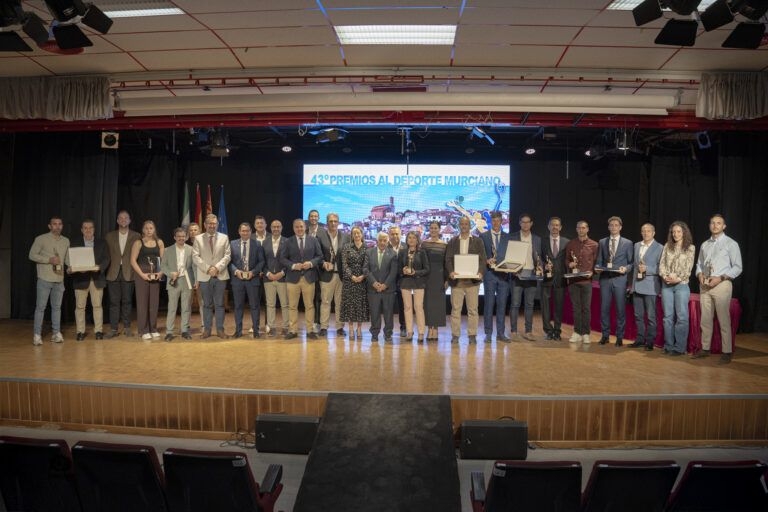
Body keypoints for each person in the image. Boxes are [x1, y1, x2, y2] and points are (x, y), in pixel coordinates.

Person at [693, 214, 742, 364]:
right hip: (705, 284)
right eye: (713, 223)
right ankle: (705, 348)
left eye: (718, 223)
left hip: (721, 284)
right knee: (705, 319)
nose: (715, 225)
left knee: (723, 318)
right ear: (709, 225)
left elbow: (738, 267)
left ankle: (726, 351)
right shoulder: (704, 244)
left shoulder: (731, 244)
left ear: (724, 226)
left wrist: (720, 278)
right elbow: (699, 264)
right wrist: (699, 274)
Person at [29, 216, 70, 345]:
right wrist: (48, 260)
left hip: (59, 279)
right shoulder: (41, 239)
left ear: (62, 226)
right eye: (54, 224)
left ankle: (56, 333)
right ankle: (37, 335)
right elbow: (31, 255)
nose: (57, 226)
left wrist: (71, 268)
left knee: (57, 308)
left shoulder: (66, 241)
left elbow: (67, 259)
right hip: (44, 279)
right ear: (49, 226)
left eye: (59, 224)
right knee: (41, 308)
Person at [66, 219, 110, 341]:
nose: (88, 230)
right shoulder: (75, 243)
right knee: (80, 307)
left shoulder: (102, 242)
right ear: (81, 230)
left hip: (97, 278)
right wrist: (75, 268)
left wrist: (99, 267)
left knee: (97, 306)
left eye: (90, 228)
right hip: (80, 279)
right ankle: (80, 331)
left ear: (94, 229)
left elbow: (107, 259)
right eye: (85, 228)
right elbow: (70, 259)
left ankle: (98, 331)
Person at [445, 216, 486, 343]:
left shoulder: (478, 241)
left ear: (469, 226)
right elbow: (448, 259)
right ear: (459, 226)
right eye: (462, 224)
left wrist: (480, 272)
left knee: (473, 310)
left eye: (466, 224)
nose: (464, 226)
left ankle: (472, 335)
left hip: (472, 283)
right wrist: (451, 272)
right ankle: (455, 335)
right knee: (455, 310)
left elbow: (483, 259)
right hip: (457, 282)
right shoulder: (452, 241)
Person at [280, 219, 323, 340]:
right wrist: (293, 266)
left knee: (309, 306)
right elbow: (282, 258)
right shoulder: (288, 242)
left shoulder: (313, 240)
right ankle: (292, 330)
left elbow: (320, 256)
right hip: (292, 278)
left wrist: (310, 263)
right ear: (293, 228)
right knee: (292, 306)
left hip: (309, 278)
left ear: (305, 227)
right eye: (297, 227)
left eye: (301, 227)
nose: (299, 229)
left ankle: (310, 331)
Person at [658, 221, 695, 356]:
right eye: (673, 232)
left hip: (681, 285)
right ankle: (668, 346)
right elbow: (661, 265)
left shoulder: (690, 248)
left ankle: (679, 348)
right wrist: (665, 276)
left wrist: (678, 278)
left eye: (678, 231)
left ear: (684, 232)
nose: (675, 234)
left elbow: (689, 268)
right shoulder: (668, 246)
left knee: (682, 317)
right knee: (667, 317)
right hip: (667, 285)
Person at [595, 216, 633, 347]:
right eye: (611, 225)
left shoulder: (628, 243)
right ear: (608, 227)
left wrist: (626, 269)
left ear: (620, 227)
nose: (614, 227)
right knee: (604, 309)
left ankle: (619, 337)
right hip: (605, 279)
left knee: (620, 310)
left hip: (620, 280)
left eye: (616, 225)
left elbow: (631, 263)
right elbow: (599, 260)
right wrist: (598, 268)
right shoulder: (602, 242)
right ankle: (605, 336)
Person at [192, 214, 232, 339]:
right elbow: (195, 257)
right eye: (209, 223)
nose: (212, 225)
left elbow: (227, 256)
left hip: (220, 275)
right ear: (204, 225)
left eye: (214, 223)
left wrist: (217, 268)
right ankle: (207, 330)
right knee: (207, 304)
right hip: (205, 276)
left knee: (220, 304)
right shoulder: (198, 239)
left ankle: (220, 330)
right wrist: (208, 268)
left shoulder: (224, 238)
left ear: (217, 224)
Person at [105, 210, 141, 338]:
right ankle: (114, 329)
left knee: (127, 301)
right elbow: (106, 255)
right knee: (114, 302)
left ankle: (126, 327)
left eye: (126, 218)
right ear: (117, 221)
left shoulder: (136, 236)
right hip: (113, 273)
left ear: (130, 221)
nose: (123, 220)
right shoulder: (109, 236)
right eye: (121, 218)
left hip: (128, 272)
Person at [509, 213, 542, 342]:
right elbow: (509, 257)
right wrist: (512, 270)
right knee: (515, 304)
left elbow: (540, 258)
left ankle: (528, 331)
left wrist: (540, 267)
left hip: (532, 275)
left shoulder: (537, 239)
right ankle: (513, 331)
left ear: (531, 223)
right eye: (523, 222)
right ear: (519, 223)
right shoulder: (513, 237)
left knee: (529, 304)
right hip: (517, 274)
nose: (525, 224)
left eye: (528, 222)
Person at [629, 223, 663, 351]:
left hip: (651, 287)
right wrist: (632, 287)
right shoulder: (637, 245)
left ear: (653, 233)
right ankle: (639, 339)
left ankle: (650, 341)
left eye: (648, 231)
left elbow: (661, 268)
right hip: (637, 286)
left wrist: (647, 269)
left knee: (650, 316)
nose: (645, 233)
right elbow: (635, 265)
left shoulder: (660, 248)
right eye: (643, 231)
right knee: (638, 315)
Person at [130, 220, 165, 340]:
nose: (149, 230)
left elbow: (163, 260)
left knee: (154, 303)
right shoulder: (138, 242)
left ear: (154, 230)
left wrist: (161, 272)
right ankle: (143, 330)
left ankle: (153, 328)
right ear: (143, 230)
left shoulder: (159, 242)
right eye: (146, 228)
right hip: (142, 274)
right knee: (142, 303)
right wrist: (142, 274)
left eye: (151, 228)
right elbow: (133, 261)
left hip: (155, 274)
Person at [229, 222, 265, 338]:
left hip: (252, 280)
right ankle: (238, 331)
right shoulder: (232, 244)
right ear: (239, 232)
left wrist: (253, 272)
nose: (245, 233)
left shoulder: (257, 244)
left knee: (254, 306)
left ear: (251, 232)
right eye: (243, 231)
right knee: (238, 306)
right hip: (237, 280)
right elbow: (229, 262)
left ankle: (256, 331)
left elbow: (262, 262)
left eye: (247, 231)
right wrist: (236, 271)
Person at [480, 211, 511, 342]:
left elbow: (510, 255)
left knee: (502, 304)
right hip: (489, 274)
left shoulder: (507, 237)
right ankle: (488, 333)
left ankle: (501, 333)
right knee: (489, 304)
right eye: (493, 221)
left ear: (502, 221)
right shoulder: (484, 236)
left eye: (498, 220)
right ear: (490, 222)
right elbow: (480, 255)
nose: (496, 223)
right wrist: (486, 260)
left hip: (504, 275)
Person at [564, 221, 598, 344]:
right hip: (573, 281)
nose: (581, 230)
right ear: (576, 229)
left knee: (586, 308)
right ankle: (577, 332)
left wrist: (592, 272)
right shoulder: (571, 244)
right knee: (576, 308)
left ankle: (586, 333)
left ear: (587, 229)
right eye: (579, 228)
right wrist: (570, 264)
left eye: (583, 228)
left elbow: (596, 263)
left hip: (586, 282)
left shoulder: (594, 245)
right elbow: (566, 260)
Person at [161, 227, 197, 341]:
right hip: (173, 281)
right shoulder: (168, 250)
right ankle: (169, 331)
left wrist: (196, 280)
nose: (181, 238)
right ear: (174, 237)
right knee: (172, 307)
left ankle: (185, 330)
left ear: (186, 237)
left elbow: (194, 267)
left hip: (187, 281)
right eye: (179, 236)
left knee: (186, 307)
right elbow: (163, 266)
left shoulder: (191, 250)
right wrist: (170, 273)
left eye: (183, 236)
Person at [317, 213, 349, 337]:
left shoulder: (345, 237)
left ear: (338, 222)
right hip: (326, 275)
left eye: (335, 221)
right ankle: (324, 327)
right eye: (331, 221)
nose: (333, 223)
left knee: (340, 302)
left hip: (341, 275)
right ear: (327, 223)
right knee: (325, 302)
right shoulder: (321, 236)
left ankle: (340, 327)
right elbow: (317, 255)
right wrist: (323, 263)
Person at [364, 232, 398, 342]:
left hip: (388, 290)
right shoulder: (369, 252)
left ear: (387, 241)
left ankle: (388, 333)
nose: (382, 242)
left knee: (388, 313)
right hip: (373, 289)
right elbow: (365, 269)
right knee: (374, 313)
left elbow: (393, 272)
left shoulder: (393, 254)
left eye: (385, 240)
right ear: (377, 241)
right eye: (380, 240)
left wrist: (385, 285)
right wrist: (374, 283)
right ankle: (374, 333)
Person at [541, 216, 569, 341]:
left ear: (561, 227)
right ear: (548, 227)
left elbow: (569, 260)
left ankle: (557, 331)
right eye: (552, 225)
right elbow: (538, 258)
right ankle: (548, 330)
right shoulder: (543, 241)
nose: (555, 227)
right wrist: (543, 265)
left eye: (557, 225)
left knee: (559, 305)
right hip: (546, 279)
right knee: (545, 306)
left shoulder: (566, 242)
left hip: (560, 278)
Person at [339, 226, 370, 339]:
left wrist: (362, 276)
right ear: (351, 235)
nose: (356, 235)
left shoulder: (367, 248)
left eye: (358, 233)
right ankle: (351, 328)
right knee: (350, 305)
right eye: (354, 233)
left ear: (362, 234)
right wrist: (351, 276)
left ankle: (359, 328)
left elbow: (367, 265)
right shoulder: (346, 247)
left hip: (362, 281)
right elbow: (344, 264)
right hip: (349, 281)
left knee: (360, 306)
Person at [398, 230, 430, 341]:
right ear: (406, 240)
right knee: (407, 308)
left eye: (414, 238)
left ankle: (421, 333)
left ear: (417, 240)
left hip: (418, 282)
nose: (411, 240)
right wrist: (403, 270)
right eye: (409, 237)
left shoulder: (422, 252)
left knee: (418, 307)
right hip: (405, 282)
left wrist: (415, 272)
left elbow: (426, 269)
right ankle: (409, 331)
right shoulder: (402, 252)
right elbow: (398, 269)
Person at [421, 221, 447, 341]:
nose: (433, 230)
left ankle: (435, 329)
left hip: (439, 277)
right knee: (427, 304)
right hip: (427, 277)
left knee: (438, 304)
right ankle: (429, 328)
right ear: (429, 229)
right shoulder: (424, 244)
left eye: (436, 228)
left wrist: (447, 280)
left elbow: (447, 264)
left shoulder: (444, 245)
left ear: (439, 229)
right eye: (431, 228)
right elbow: (421, 262)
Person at [263, 220, 289, 338]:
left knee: (285, 304)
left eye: (278, 226)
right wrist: (268, 273)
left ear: (282, 228)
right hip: (268, 278)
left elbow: (290, 260)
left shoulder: (287, 242)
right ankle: (272, 327)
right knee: (270, 304)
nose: (276, 229)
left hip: (282, 278)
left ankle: (286, 327)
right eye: (274, 227)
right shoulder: (265, 242)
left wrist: (282, 273)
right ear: (270, 228)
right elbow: (261, 261)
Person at [388, 225, 407, 337]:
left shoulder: (406, 247)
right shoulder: (384, 246)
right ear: (389, 235)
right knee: (388, 306)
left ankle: (403, 326)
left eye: (397, 234)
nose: (395, 236)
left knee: (403, 306)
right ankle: (388, 329)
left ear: (400, 234)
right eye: (392, 234)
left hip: (403, 281)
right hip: (388, 282)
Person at [186, 222, 205, 332]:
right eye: (191, 230)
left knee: (202, 301)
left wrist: (198, 278)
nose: (193, 232)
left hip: (202, 276)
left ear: (200, 231)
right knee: (187, 302)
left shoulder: (203, 245)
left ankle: (204, 324)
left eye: (195, 230)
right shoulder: (186, 246)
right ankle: (186, 324)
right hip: (189, 277)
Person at [307, 209, 322, 331]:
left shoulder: (323, 232)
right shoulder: (304, 231)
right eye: (311, 216)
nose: (313, 218)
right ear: (308, 218)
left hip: (319, 270)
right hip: (305, 270)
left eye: (316, 216)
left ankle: (317, 322)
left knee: (318, 297)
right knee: (308, 299)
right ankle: (309, 323)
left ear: (318, 218)